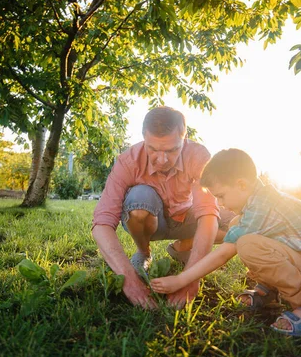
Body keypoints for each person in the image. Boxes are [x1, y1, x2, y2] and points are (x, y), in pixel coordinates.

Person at [151, 148, 301, 336]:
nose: (221, 204)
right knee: (237, 226)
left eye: (221, 196)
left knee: (247, 245)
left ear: (241, 184)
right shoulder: (259, 202)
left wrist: (181, 280)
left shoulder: (264, 206)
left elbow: (225, 252)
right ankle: (269, 291)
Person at [92, 107, 233, 309]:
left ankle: (182, 247)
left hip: (187, 218)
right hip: (152, 222)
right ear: (143, 139)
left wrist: (191, 277)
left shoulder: (198, 155)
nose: (162, 159)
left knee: (239, 222)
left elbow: (208, 214)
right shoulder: (128, 161)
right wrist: (129, 281)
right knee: (140, 197)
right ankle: (144, 252)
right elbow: (101, 223)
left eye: (172, 150)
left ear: (184, 140)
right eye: (153, 149)